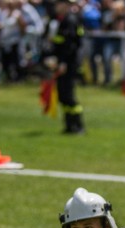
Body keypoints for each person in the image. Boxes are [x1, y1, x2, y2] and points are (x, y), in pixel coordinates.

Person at [47, 0, 85, 134]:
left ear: (65, 5)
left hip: (68, 64)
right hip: (62, 63)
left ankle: (78, 125)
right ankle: (69, 125)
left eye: (58, 4)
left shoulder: (70, 20)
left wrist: (63, 63)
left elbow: (70, 46)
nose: (56, 7)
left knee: (68, 95)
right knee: (63, 95)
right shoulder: (61, 20)